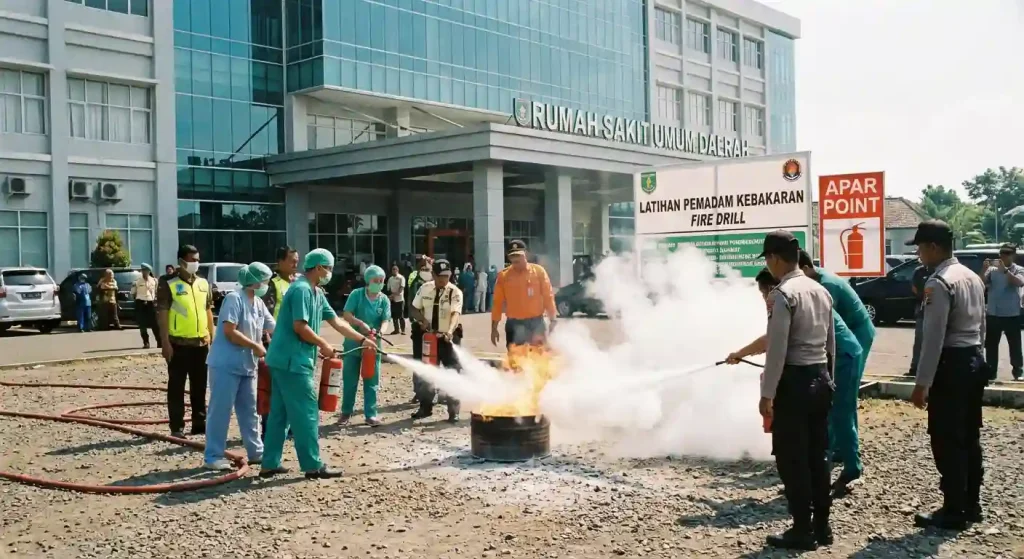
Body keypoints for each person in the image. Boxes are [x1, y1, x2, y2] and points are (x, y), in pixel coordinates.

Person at [726, 231, 835, 551]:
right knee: (818, 458)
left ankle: (802, 529)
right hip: (820, 381)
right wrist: (831, 381)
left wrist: (767, 394)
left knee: (793, 460)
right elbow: (831, 344)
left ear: (774, 259)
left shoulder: (782, 295)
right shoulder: (819, 290)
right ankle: (823, 528)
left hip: (795, 386)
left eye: (768, 260)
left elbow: (778, 349)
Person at [730, 268, 863, 497]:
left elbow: (772, 340)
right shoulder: (799, 292)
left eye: (764, 294)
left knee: (840, 413)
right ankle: (825, 468)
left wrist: (740, 353)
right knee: (828, 417)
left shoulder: (785, 297)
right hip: (827, 357)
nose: (764, 300)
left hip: (842, 356)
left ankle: (850, 469)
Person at [260, 248, 376, 479]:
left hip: (285, 360)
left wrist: (362, 339)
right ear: (319, 267)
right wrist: (323, 344)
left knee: (280, 414)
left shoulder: (316, 292)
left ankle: (269, 463)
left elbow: (337, 322)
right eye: (329, 268)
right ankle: (313, 465)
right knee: (306, 412)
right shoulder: (302, 290)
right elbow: (299, 326)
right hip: (293, 361)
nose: (330, 273)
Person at [906, 220, 988, 530]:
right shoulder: (971, 277)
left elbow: (934, 337)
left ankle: (954, 509)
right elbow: (982, 327)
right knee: (969, 436)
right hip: (973, 360)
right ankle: (972, 504)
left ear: (934, 247)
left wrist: (921, 383)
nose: (919, 254)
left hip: (950, 365)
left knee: (947, 439)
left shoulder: (938, 283)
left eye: (920, 247)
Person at [797, 249, 874, 487]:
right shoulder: (813, 284)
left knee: (841, 405)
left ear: (805, 269)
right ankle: (839, 447)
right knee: (841, 404)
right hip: (841, 343)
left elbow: (824, 330)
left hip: (852, 340)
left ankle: (850, 464)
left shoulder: (824, 287)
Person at [202, 263, 275, 471]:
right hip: (226, 364)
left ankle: (256, 452)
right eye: (264, 280)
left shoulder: (258, 302)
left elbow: (273, 326)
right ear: (253, 280)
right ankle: (213, 456)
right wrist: (255, 346)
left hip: (247, 366)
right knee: (220, 411)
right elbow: (229, 331)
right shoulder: (234, 299)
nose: (266, 284)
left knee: (250, 410)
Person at [157, 245, 214, 439]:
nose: (195, 263)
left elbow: (208, 311)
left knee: (199, 386)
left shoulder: (203, 284)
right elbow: (162, 313)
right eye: (192, 259)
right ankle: (177, 427)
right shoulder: (168, 283)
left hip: (200, 344)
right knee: (177, 387)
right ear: (181, 261)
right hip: (178, 344)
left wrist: (212, 338)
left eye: (197, 259)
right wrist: (164, 342)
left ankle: (199, 423)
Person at [409, 259, 464, 422]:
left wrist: (449, 331)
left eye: (447, 276)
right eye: (440, 276)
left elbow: (455, 314)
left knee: (452, 372)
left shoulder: (455, 292)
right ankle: (425, 407)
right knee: (426, 372)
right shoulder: (424, 288)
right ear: (433, 275)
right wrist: (422, 320)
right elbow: (413, 308)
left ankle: (454, 411)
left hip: (447, 338)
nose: (443, 280)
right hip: (426, 338)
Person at [338, 265, 391, 427]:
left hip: (373, 346)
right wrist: (359, 323)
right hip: (354, 343)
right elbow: (347, 314)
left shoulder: (384, 299)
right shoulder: (357, 295)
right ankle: (346, 413)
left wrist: (381, 331)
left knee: (371, 380)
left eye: (382, 281)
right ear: (368, 281)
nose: (379, 283)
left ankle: (371, 414)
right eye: (376, 281)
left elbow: (385, 319)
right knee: (350, 379)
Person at [490, 240, 557, 349]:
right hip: (514, 324)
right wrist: (494, 328)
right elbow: (497, 303)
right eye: (512, 256)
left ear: (525, 254)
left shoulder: (539, 272)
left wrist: (553, 319)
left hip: (536, 324)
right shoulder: (503, 276)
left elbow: (548, 296)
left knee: (540, 359)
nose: (515, 259)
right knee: (516, 361)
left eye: (518, 255)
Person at [981, 244, 1024, 380]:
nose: (1003, 257)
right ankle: (991, 371)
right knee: (991, 345)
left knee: (1015, 344)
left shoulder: (1019, 269)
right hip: (994, 313)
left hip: (1012, 313)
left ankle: (1017, 371)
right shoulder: (992, 270)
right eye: (1001, 254)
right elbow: (980, 283)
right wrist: (984, 269)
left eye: (1006, 254)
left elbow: (1019, 282)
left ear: (1012, 255)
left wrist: (1005, 271)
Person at [407, 257, 431, 403]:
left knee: (433, 359)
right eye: (423, 268)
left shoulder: (436, 283)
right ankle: (419, 391)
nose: (426, 271)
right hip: (419, 327)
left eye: (428, 268)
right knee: (419, 360)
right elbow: (413, 306)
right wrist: (421, 320)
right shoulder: (416, 284)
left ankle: (433, 390)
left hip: (435, 328)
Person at [909, 261, 934, 376]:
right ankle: (915, 367)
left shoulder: (938, 270)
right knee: (919, 340)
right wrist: (923, 295)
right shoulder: (919, 271)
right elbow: (914, 287)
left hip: (936, 310)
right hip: (921, 310)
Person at [263, 246, 299, 321]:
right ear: (280, 261)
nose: (295, 265)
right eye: (292, 262)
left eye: (297, 262)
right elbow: (266, 311)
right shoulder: (272, 283)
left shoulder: (299, 281)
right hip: (278, 329)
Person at [131, 264, 160, 349]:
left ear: (149, 271)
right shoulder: (137, 281)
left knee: (155, 324)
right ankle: (146, 342)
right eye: (143, 270)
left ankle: (159, 342)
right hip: (140, 302)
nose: (144, 272)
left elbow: (156, 292)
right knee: (142, 324)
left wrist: (156, 301)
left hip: (151, 303)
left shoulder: (154, 280)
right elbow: (133, 293)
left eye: (146, 270)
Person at [387, 264, 406, 335]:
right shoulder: (390, 279)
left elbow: (401, 289)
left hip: (400, 299)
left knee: (401, 316)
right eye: (393, 269)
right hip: (393, 300)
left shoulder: (401, 278)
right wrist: (391, 296)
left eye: (395, 269)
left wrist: (393, 295)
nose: (394, 271)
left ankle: (403, 330)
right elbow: (388, 289)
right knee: (394, 316)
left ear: (398, 270)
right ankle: (396, 330)